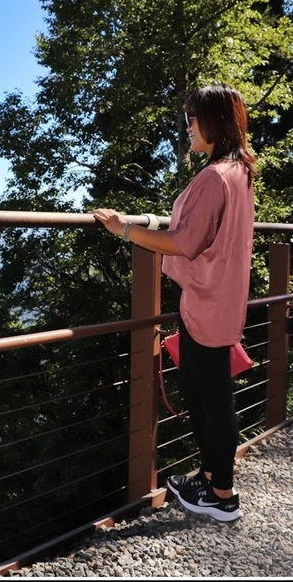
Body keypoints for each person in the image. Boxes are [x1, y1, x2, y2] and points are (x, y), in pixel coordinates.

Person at [93, 83, 257, 523]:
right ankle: (210, 478)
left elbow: (182, 243)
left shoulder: (214, 177)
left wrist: (121, 228)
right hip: (221, 298)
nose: (187, 127)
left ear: (213, 122)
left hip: (206, 302)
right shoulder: (239, 171)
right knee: (207, 395)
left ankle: (222, 495)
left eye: (191, 119)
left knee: (212, 400)